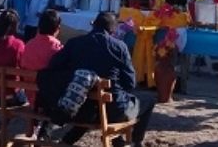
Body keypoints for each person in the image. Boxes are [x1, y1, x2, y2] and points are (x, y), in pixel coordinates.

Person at [46, 12, 154, 147]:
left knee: (94, 100)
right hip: (112, 111)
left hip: (81, 109)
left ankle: (69, 140)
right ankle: (135, 142)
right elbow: (130, 83)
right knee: (149, 100)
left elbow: (53, 66)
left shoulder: (75, 43)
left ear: (94, 26)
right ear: (112, 30)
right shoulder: (119, 47)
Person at [20, 9, 63, 106]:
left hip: (31, 95)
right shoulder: (58, 48)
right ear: (58, 28)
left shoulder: (28, 45)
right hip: (48, 98)